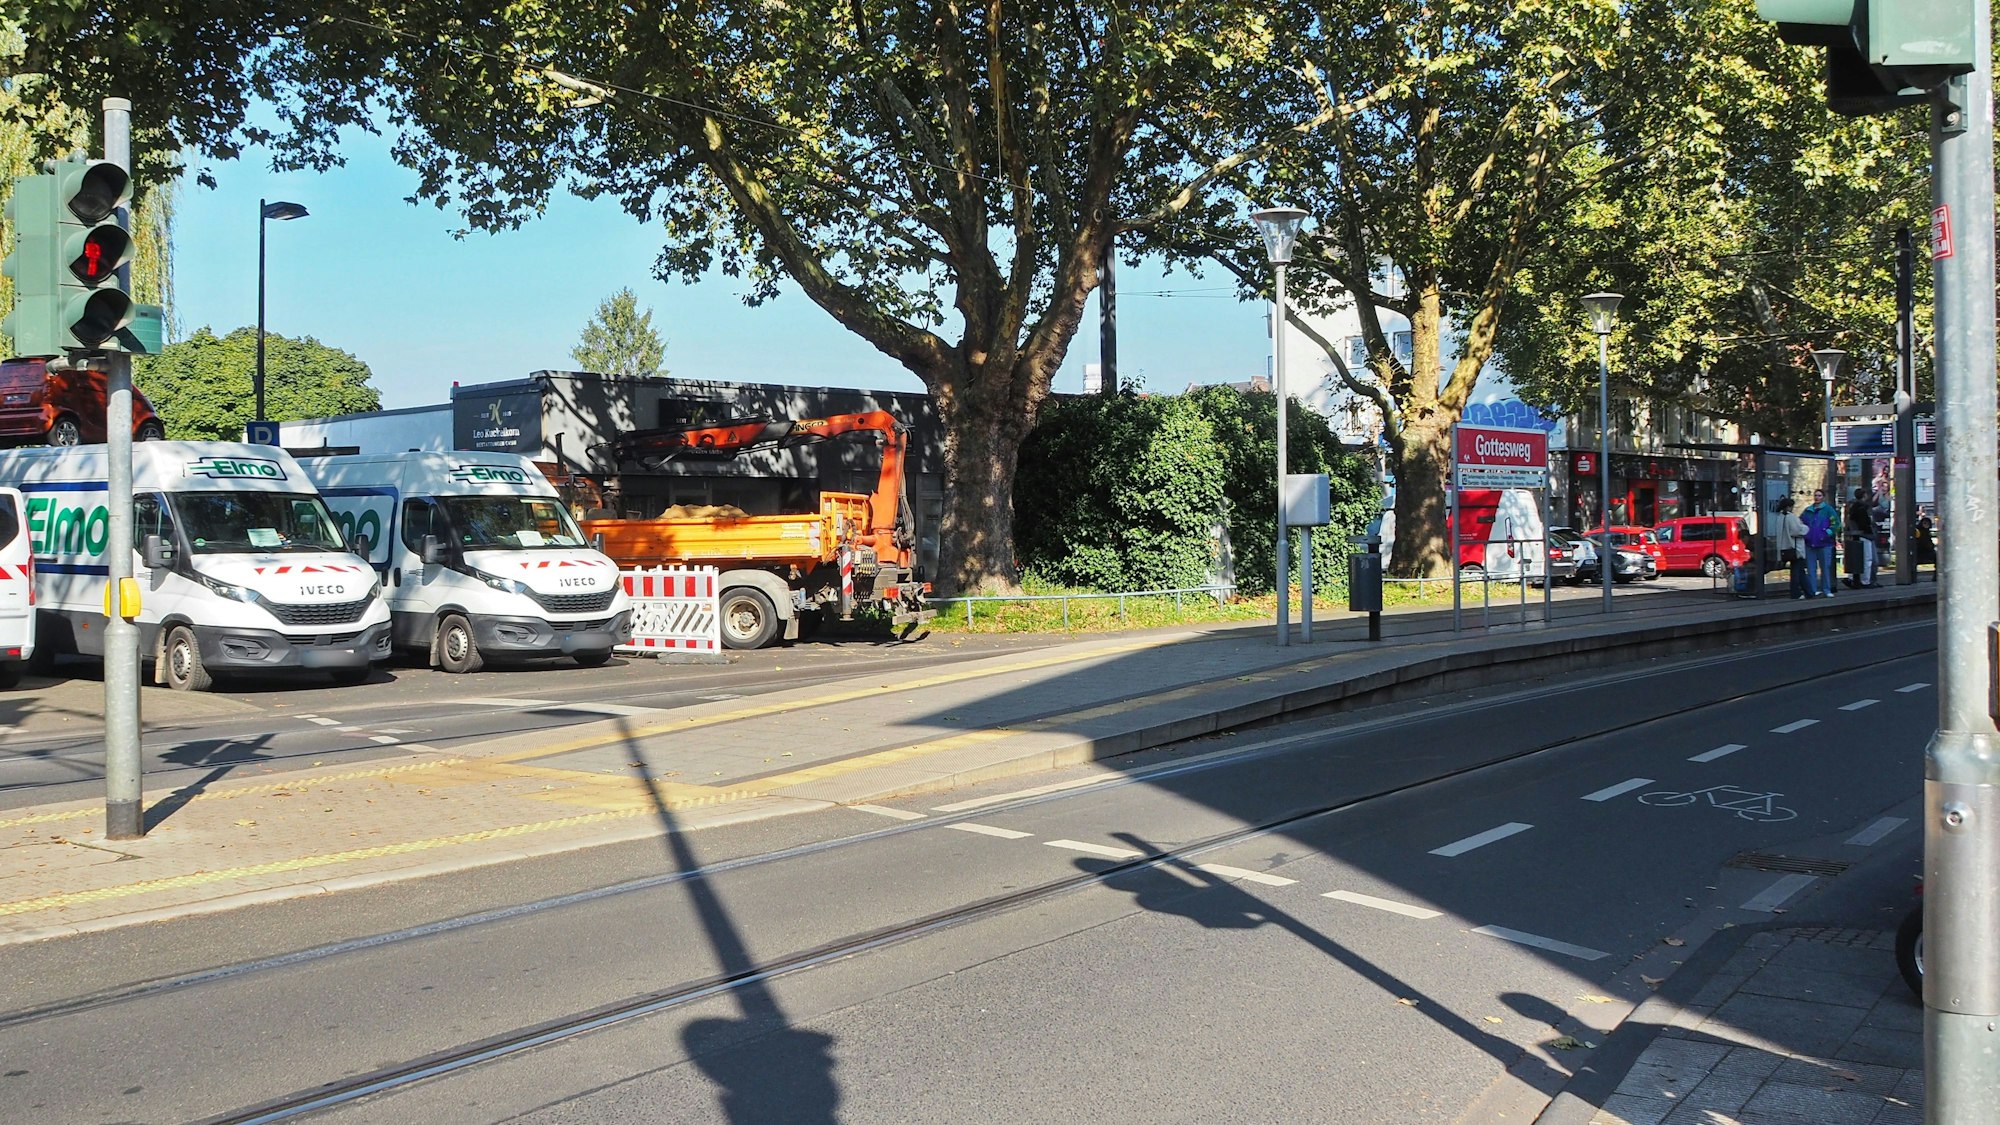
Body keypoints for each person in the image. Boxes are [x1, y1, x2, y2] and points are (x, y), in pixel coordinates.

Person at [1801, 488, 1840, 598]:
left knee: (1825, 568)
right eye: (1816, 495)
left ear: (1823, 497)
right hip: (1810, 543)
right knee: (1811, 569)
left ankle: (1826, 589)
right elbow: (1801, 524)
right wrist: (1806, 535)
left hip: (1825, 543)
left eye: (1819, 495)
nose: (1817, 498)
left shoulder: (1828, 510)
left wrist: (1826, 534)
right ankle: (1812, 590)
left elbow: (1836, 524)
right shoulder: (1808, 510)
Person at [1775, 497, 1811, 598]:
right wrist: (1805, 527)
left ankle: (1809, 592)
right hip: (1794, 548)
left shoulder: (1780, 517)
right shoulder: (1791, 517)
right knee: (1797, 571)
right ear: (1789, 507)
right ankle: (1796, 593)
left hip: (1784, 547)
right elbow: (1797, 531)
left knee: (1800, 570)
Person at [1845, 487, 1879, 587]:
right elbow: (1865, 523)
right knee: (1867, 558)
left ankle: (1852, 578)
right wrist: (1870, 529)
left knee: (1856, 557)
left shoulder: (1852, 507)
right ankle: (1865, 580)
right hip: (1865, 534)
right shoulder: (1863, 508)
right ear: (1864, 496)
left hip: (1856, 534)